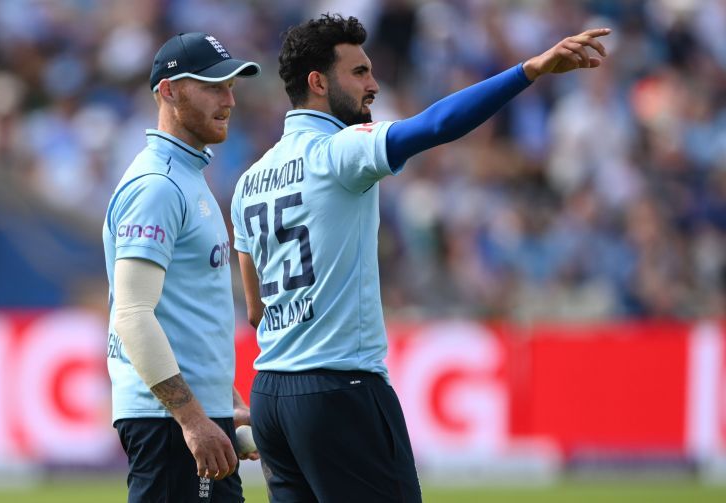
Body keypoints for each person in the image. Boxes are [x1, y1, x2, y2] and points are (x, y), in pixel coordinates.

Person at [230, 13, 610, 502]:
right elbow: (437, 125)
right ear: (318, 82)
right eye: (360, 73)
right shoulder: (339, 152)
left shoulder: (249, 182)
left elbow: (255, 307)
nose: (374, 84)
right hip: (338, 387)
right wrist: (528, 71)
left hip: (271, 395)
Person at [103, 32, 261, 502]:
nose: (229, 99)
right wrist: (193, 418)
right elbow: (133, 315)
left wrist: (220, 397)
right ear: (168, 91)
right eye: (213, 86)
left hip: (190, 416)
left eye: (230, 86)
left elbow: (183, 310)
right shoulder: (158, 186)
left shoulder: (186, 177)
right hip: (168, 424)